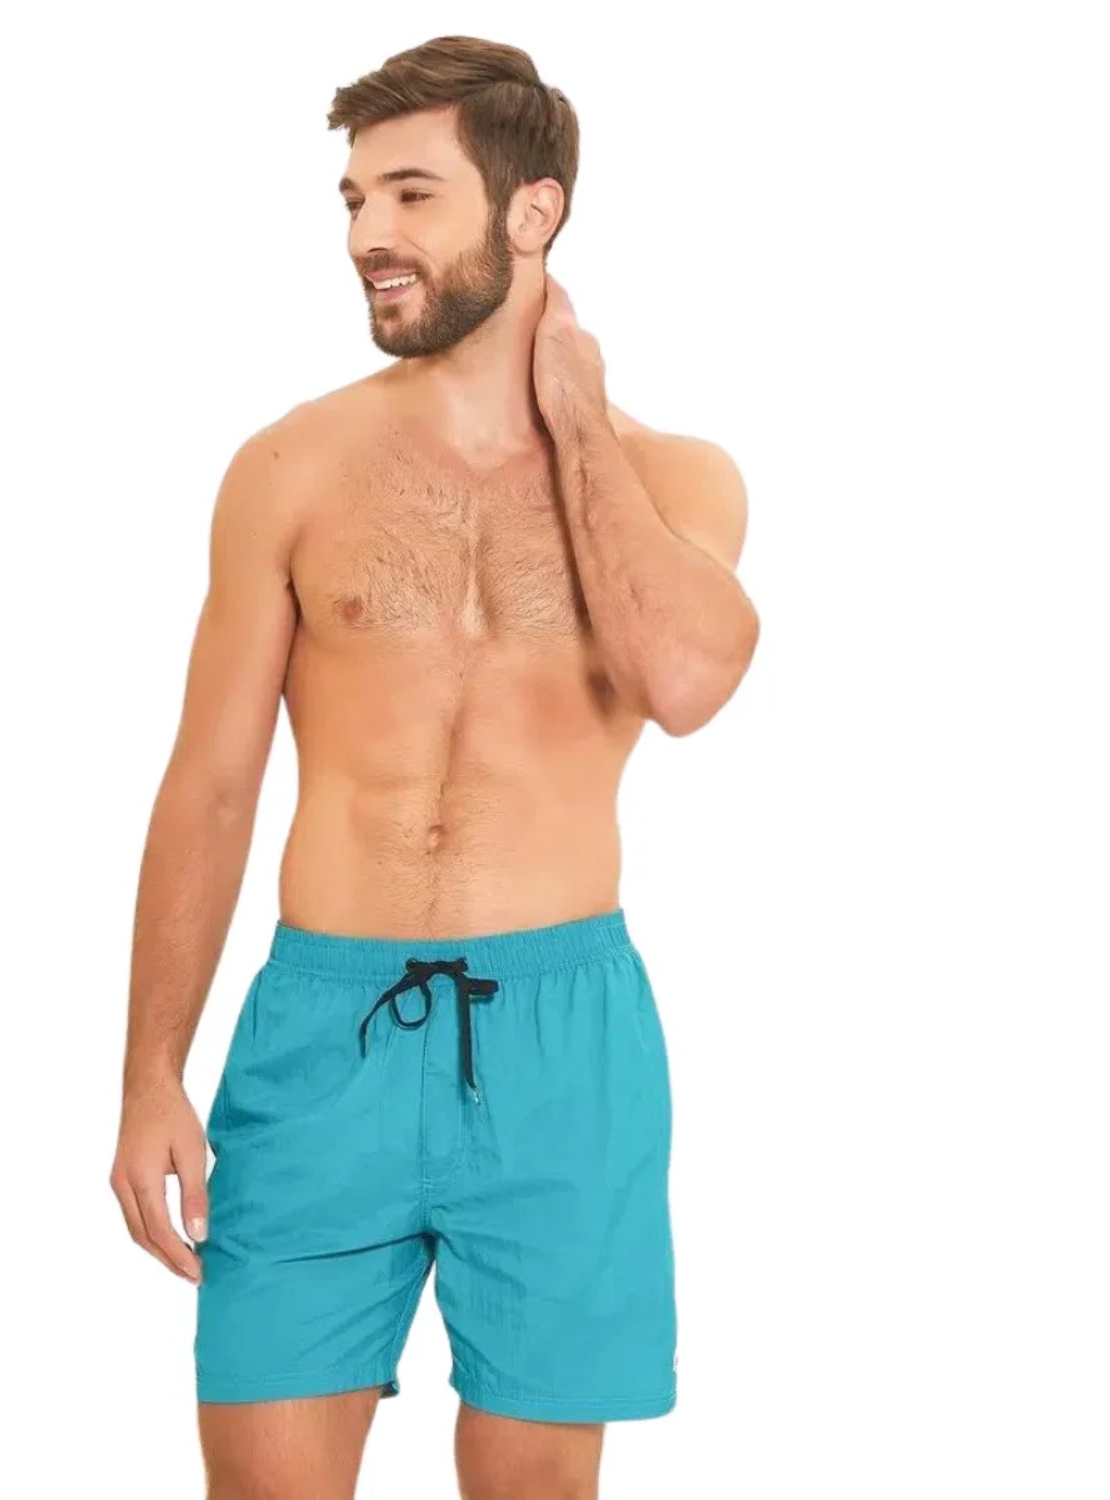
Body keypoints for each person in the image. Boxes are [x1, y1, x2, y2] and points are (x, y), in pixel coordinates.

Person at [110, 33, 759, 1500]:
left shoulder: (674, 478)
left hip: (563, 1038)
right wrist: (151, 1073)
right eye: (354, 201)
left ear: (533, 211)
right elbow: (209, 786)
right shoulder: (290, 468)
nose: (368, 237)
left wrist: (574, 411)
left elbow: (687, 681)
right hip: (320, 1034)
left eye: (411, 194)